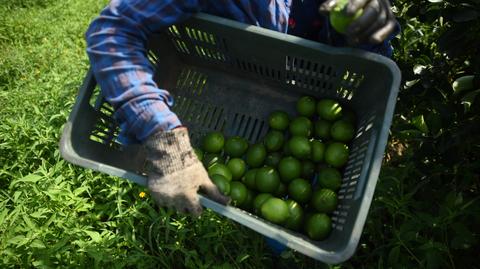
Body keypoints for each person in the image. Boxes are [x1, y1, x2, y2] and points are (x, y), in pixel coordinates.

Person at [85, 0, 398, 216]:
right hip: (237, 76)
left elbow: (376, 66)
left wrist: (369, 30)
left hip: (316, 90)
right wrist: (165, 141)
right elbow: (112, 30)